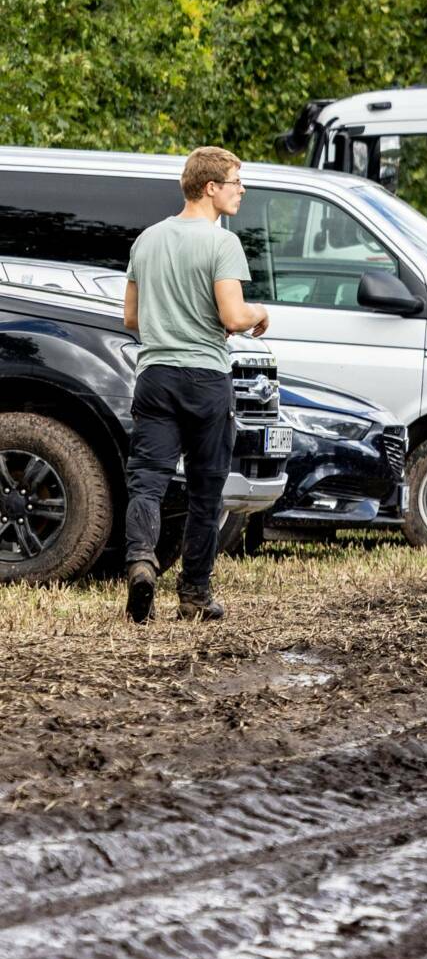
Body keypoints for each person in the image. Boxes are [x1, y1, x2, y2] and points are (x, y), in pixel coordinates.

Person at [120, 146, 268, 624]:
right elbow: (232, 315)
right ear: (211, 188)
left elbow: (131, 318)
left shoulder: (147, 240)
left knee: (147, 481)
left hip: (156, 376)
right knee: (206, 491)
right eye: (235, 181)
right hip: (205, 379)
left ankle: (142, 560)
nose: (242, 189)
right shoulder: (221, 243)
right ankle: (194, 594)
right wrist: (259, 314)